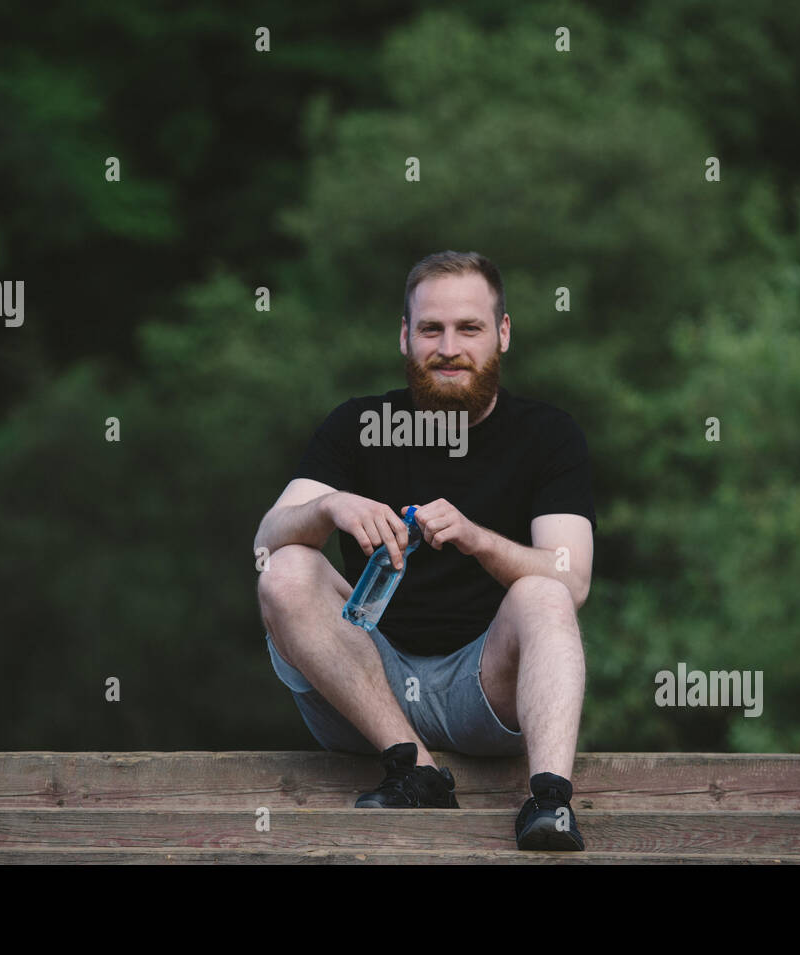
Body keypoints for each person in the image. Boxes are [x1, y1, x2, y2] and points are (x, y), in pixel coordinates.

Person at [253, 250, 596, 851]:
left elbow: (574, 580)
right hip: (364, 692)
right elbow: (263, 545)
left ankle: (549, 804)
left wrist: (478, 539)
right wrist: (330, 507)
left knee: (544, 591)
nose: (449, 347)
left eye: (470, 328)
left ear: (503, 334)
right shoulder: (357, 424)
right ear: (406, 337)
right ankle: (414, 770)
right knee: (286, 569)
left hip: (486, 691)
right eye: (431, 329)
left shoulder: (549, 434)